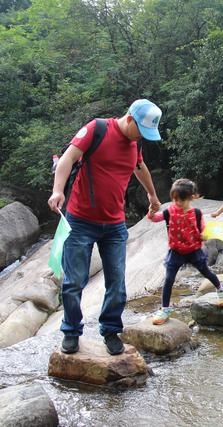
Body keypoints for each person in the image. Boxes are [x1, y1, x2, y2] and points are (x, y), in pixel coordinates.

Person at [48, 99, 162, 355]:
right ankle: (71, 332)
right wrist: (58, 191)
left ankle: (110, 331)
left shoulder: (135, 142)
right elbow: (68, 158)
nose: (140, 138)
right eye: (141, 131)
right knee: (74, 281)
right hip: (79, 221)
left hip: (114, 225)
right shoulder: (97, 129)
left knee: (117, 282)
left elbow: (139, 167)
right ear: (130, 119)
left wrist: (153, 196)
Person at [147, 179, 223, 325]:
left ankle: (221, 289)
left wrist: (204, 235)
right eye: (175, 199)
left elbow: (203, 230)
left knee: (206, 272)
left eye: (181, 199)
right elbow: (155, 218)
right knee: (169, 279)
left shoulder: (196, 213)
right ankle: (165, 309)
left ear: (191, 197)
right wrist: (151, 212)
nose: (177, 202)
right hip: (176, 251)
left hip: (193, 250)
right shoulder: (169, 211)